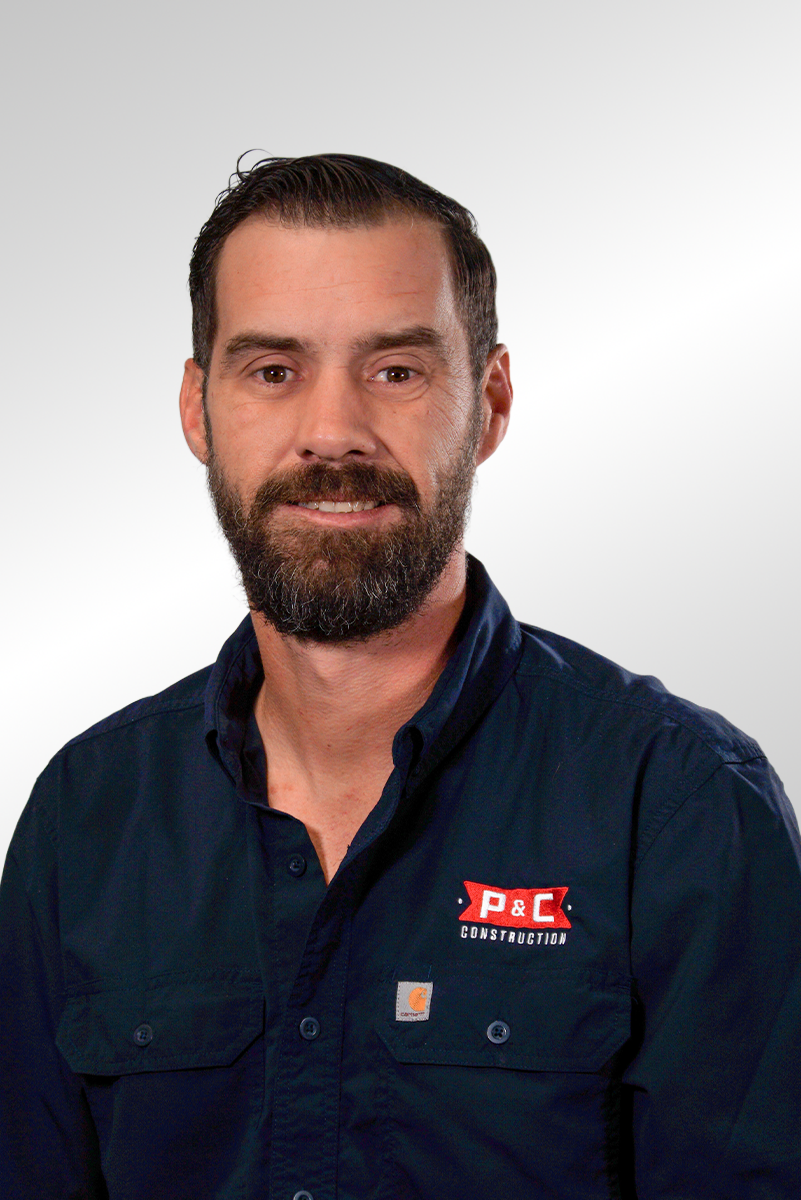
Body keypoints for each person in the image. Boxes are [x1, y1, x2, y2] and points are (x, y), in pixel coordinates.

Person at [1, 154, 799, 1200]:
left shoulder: (682, 809)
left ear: (492, 402)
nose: (332, 433)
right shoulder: (84, 819)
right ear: (199, 409)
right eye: (273, 371)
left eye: (396, 371)